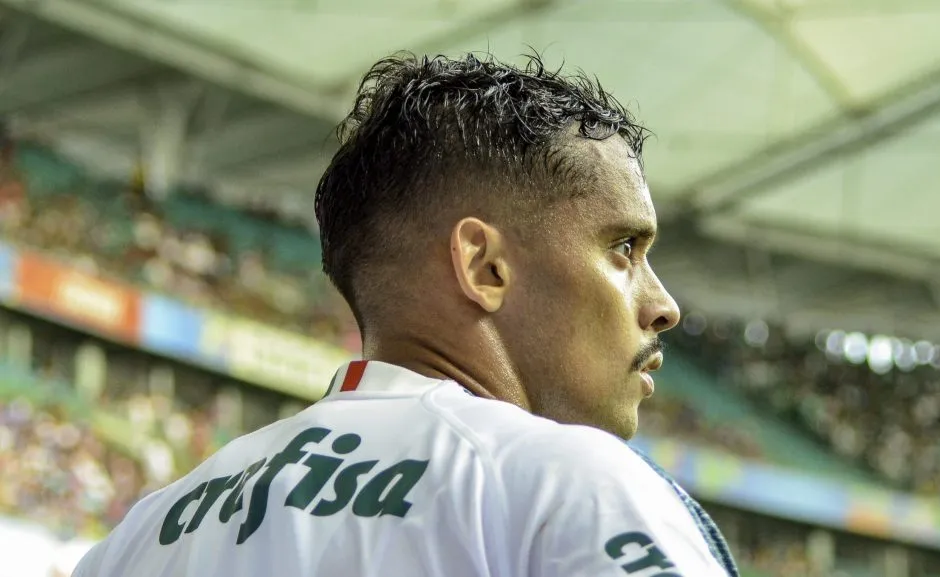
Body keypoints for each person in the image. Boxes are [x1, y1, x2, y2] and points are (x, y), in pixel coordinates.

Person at [73, 52, 740, 577]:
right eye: (623, 248)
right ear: (485, 267)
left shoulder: (139, 535)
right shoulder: (571, 484)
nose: (663, 306)